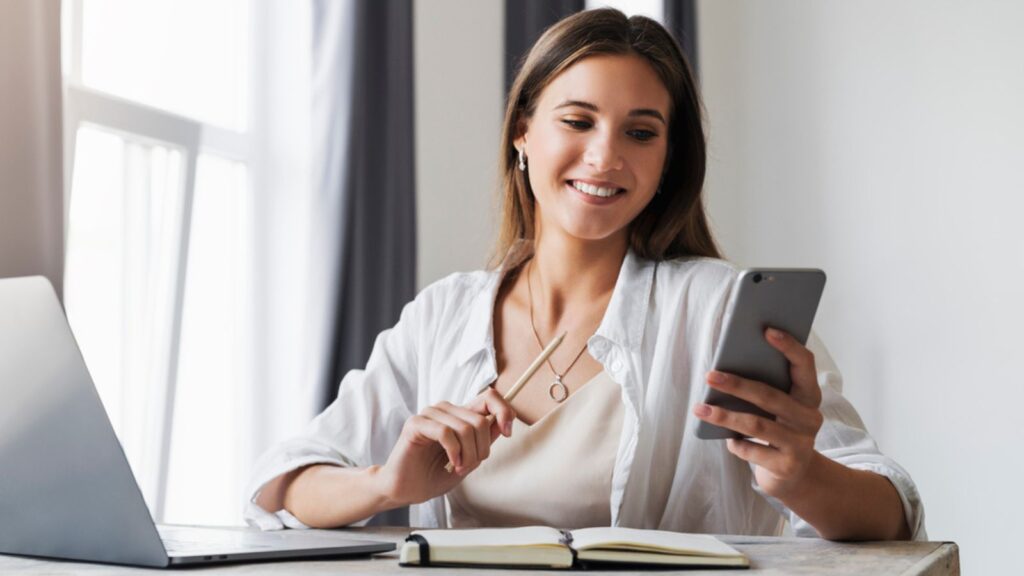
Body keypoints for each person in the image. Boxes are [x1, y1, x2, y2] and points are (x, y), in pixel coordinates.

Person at [245, 8, 924, 540]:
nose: (605, 157)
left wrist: (800, 472)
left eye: (641, 132)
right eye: (577, 120)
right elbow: (286, 484)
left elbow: (892, 511)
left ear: (667, 159)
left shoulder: (717, 310)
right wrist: (387, 486)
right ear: (522, 131)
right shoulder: (442, 316)